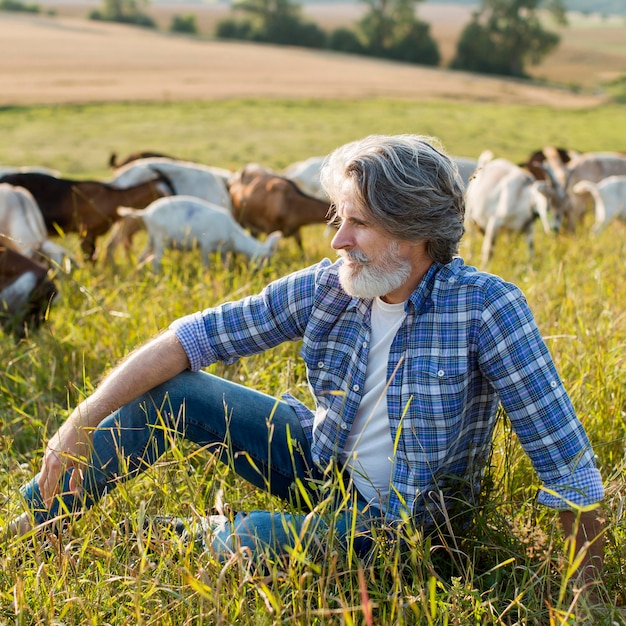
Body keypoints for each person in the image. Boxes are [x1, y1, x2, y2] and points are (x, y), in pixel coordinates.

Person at [9, 134, 604, 586]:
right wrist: (79, 421)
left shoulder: (487, 308)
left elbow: (567, 467)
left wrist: (589, 601)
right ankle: (34, 520)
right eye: (338, 219)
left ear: (415, 232)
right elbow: (192, 339)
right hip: (323, 464)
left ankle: (181, 537)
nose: (337, 241)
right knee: (174, 390)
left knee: (251, 541)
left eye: (359, 224)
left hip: (409, 525)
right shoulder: (332, 284)